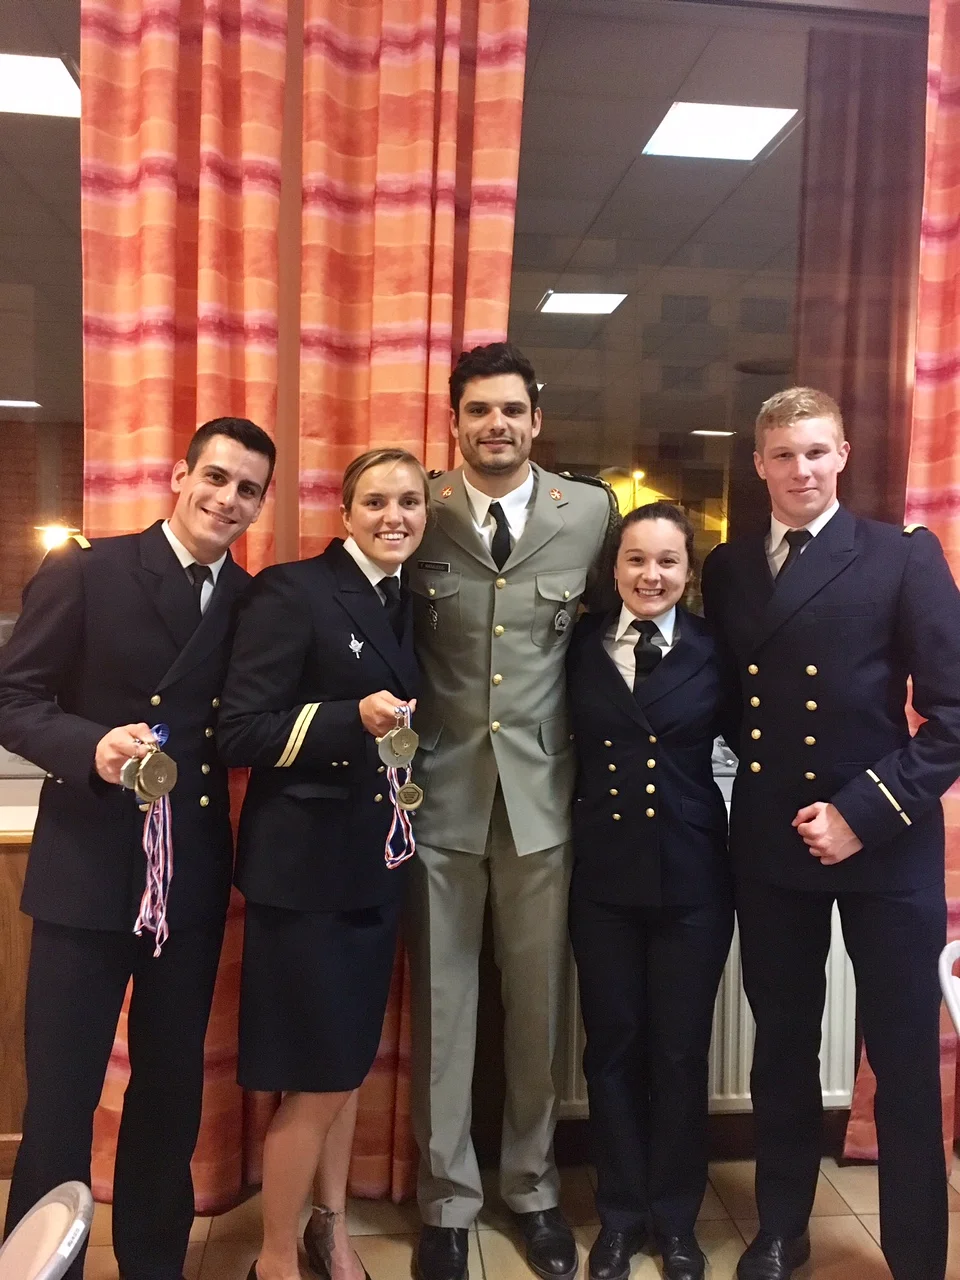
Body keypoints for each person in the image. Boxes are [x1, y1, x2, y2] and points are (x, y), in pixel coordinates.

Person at [0, 417, 276, 1280]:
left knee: (169, 1092)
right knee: (63, 1097)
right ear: (178, 475)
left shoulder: (250, 602)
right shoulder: (88, 569)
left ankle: (155, 1264)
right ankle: (44, 1269)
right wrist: (89, 747)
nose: (227, 500)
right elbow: (13, 700)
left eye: (247, 490)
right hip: (85, 873)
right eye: (217, 478)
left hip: (187, 878)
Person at [700, 387, 960, 1280]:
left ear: (843, 453)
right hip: (776, 844)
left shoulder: (900, 556)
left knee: (901, 1056)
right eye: (783, 454)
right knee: (781, 1042)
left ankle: (919, 1252)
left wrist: (861, 812)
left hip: (886, 842)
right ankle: (781, 1228)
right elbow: (734, 704)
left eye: (816, 451)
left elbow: (956, 716)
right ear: (759, 464)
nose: (801, 469)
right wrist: (781, 798)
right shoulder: (731, 570)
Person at [406, 342, 618, 1280]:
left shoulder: (592, 514)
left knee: (537, 1011)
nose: (496, 425)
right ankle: (447, 1202)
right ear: (454, 422)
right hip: (437, 798)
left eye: (512, 411)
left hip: (544, 801)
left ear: (538, 420)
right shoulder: (418, 510)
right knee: (445, 1009)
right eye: (478, 411)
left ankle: (531, 1189)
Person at [217, 448, 428, 1280]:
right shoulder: (293, 590)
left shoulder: (405, 599)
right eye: (375, 501)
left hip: (371, 868)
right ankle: (274, 1257)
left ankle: (329, 1228)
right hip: (304, 878)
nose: (394, 517)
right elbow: (240, 731)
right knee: (315, 1076)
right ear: (344, 512)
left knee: (343, 1068)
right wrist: (351, 719)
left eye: (410, 502)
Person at [566, 503, 734, 1280]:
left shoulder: (715, 649)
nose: (651, 575)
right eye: (636, 560)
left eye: (667, 561)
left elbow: (755, 750)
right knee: (614, 1051)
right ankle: (620, 1217)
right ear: (615, 568)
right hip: (602, 877)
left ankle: (676, 1222)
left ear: (688, 573)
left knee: (678, 1053)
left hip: (694, 880)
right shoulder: (579, 646)